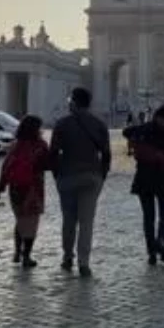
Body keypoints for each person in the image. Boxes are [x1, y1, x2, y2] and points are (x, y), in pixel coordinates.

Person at [50, 87, 111, 278]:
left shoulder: (61, 124)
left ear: (73, 102)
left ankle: (68, 257)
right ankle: (84, 263)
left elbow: (53, 153)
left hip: (67, 176)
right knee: (87, 222)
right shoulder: (99, 124)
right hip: (92, 176)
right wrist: (102, 175)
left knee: (69, 220)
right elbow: (106, 154)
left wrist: (57, 175)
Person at [124, 102, 164, 266]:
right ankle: (161, 241)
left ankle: (151, 253)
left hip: (144, 177)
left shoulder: (145, 128)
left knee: (148, 217)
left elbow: (127, 132)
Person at [0, 115, 51, 268]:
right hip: (34, 188)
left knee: (20, 220)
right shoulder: (40, 145)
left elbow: (5, 168)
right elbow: (49, 163)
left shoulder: (15, 146)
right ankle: (27, 256)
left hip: (16, 188)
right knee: (31, 222)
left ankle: (17, 252)